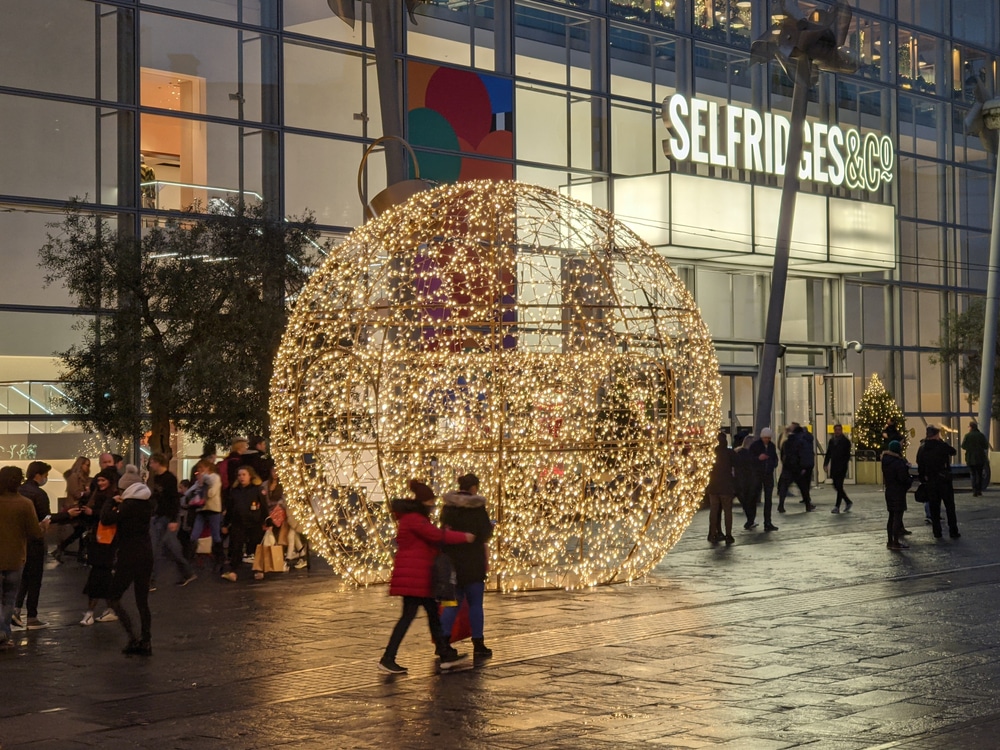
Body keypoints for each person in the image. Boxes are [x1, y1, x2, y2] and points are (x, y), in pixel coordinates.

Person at [378, 479, 475, 675]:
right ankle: (388, 658)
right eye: (430, 502)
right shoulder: (415, 519)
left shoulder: (413, 518)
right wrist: (464, 537)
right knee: (409, 618)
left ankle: (445, 653)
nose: (433, 506)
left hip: (418, 576)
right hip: (415, 578)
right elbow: (436, 536)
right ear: (423, 502)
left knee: (432, 615)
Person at [14, 461, 83, 629]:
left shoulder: (19, 491)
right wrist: (68, 515)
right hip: (35, 540)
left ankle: (15, 610)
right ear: (38, 475)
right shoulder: (38, 494)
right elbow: (46, 518)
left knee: (23, 577)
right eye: (46, 475)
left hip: (19, 540)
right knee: (35, 577)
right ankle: (32, 617)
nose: (46, 478)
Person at [440, 473, 495, 658]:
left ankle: (443, 641)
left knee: (452, 604)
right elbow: (485, 533)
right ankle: (478, 643)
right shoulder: (477, 508)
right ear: (474, 487)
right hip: (473, 563)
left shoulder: (448, 507)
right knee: (475, 605)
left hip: (453, 564)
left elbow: (443, 532)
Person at [102, 465, 155, 656]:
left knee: (113, 597)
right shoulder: (147, 503)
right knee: (142, 600)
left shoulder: (128, 505)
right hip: (146, 554)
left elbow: (107, 518)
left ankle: (132, 637)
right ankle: (146, 640)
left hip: (129, 556)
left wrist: (110, 501)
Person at [0, 466, 50, 650]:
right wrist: (44, 526)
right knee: (8, 600)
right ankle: (4, 635)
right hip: (15, 558)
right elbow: (35, 533)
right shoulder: (24, 503)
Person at [147, 453, 196, 589]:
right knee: (170, 548)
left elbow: (174, 500)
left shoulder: (169, 479)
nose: (151, 466)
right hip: (159, 516)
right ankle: (187, 572)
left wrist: (174, 519)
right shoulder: (157, 478)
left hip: (167, 517)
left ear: (158, 462)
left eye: (152, 462)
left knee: (156, 547)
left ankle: (152, 580)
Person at [80, 468, 120, 625]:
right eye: (99, 480)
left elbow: (108, 517)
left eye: (104, 480)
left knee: (98, 574)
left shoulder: (113, 498)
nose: (100, 483)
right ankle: (110, 609)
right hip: (98, 540)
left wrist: (93, 512)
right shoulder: (96, 495)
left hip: (106, 540)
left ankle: (91, 612)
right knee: (103, 575)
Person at [222, 466, 267, 582]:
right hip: (238, 523)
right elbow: (230, 509)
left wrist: (266, 520)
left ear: (250, 476)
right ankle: (233, 571)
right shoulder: (234, 491)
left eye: (244, 475)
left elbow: (264, 507)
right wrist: (225, 524)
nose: (241, 477)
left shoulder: (257, 489)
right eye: (239, 475)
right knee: (236, 547)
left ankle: (258, 569)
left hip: (254, 523)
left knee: (255, 547)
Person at [916, 425, 960, 539]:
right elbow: (953, 451)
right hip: (944, 481)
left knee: (934, 508)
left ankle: (937, 532)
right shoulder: (941, 446)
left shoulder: (922, 448)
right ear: (936, 435)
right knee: (949, 507)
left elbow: (920, 465)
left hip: (930, 482)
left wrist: (923, 478)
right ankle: (953, 531)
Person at [187, 459, 225, 572]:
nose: (200, 471)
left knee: (215, 535)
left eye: (202, 468)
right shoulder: (199, 480)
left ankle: (219, 559)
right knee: (194, 534)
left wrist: (203, 484)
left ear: (208, 468)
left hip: (213, 509)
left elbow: (212, 492)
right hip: (201, 509)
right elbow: (190, 492)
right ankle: (189, 559)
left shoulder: (214, 478)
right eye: (199, 469)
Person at [55, 455, 92, 561]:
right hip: (74, 507)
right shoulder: (74, 477)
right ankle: (62, 548)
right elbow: (76, 493)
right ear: (80, 465)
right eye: (86, 465)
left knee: (80, 531)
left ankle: (69, 551)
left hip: (80, 507)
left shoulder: (83, 478)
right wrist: (86, 492)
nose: (88, 468)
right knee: (80, 530)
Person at [705, 433, 736, 545]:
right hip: (726, 487)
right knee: (727, 511)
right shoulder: (729, 453)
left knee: (714, 511)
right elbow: (736, 466)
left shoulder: (711, 453)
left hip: (713, 486)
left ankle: (712, 534)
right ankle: (728, 535)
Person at [882, 440, 912, 550]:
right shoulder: (898, 462)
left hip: (889, 490)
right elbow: (903, 478)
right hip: (898, 491)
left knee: (891, 516)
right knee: (897, 517)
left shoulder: (885, 460)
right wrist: (909, 479)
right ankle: (895, 542)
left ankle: (890, 541)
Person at [778, 423, 815, 513]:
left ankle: (781, 505)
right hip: (798, 468)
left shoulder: (787, 442)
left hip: (788, 467)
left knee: (784, 487)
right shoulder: (802, 442)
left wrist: (785, 463)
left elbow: (782, 454)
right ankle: (808, 505)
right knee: (803, 488)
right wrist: (803, 467)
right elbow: (803, 455)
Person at [748, 428, 779, 531]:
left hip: (768, 475)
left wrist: (773, 465)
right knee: (754, 498)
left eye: (768, 438)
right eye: (765, 438)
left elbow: (775, 458)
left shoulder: (771, 446)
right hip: (758, 475)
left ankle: (767, 522)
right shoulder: (755, 446)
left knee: (768, 499)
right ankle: (751, 520)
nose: (767, 440)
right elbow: (749, 459)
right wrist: (758, 459)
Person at [824, 423, 853, 513]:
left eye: (839, 430)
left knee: (839, 485)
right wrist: (826, 463)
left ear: (841, 430)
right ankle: (848, 501)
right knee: (836, 486)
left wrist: (843, 464)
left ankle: (837, 506)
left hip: (841, 467)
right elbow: (828, 453)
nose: (837, 431)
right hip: (834, 466)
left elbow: (847, 455)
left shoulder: (846, 442)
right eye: (836, 430)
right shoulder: (832, 441)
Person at [732, 434, 757, 528]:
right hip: (749, 480)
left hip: (739, 480)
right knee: (751, 501)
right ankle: (750, 520)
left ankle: (750, 520)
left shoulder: (737, 452)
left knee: (745, 501)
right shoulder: (751, 454)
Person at [962, 421, 989, 497]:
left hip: (970, 458)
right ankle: (979, 490)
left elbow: (963, 446)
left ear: (971, 427)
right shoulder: (981, 435)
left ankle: (974, 490)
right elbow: (985, 446)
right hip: (980, 458)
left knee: (973, 474)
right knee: (979, 474)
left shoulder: (967, 436)